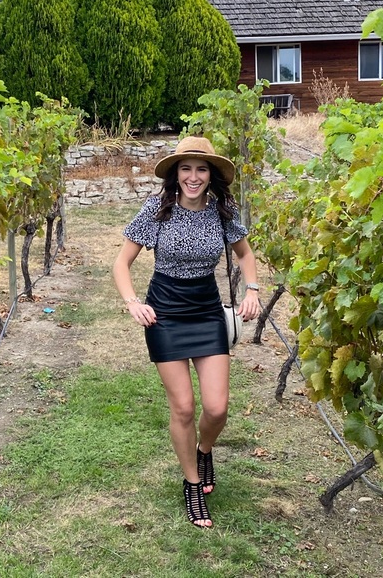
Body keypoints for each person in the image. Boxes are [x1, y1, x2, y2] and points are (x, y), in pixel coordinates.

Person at [112, 135, 260, 528]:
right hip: (165, 315)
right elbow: (121, 264)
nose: (193, 177)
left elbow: (245, 254)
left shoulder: (223, 210)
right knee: (183, 407)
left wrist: (253, 289)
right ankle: (192, 483)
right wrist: (132, 302)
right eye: (186, 169)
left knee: (217, 408)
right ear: (175, 174)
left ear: (211, 175)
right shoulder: (157, 208)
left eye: (201, 169)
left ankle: (204, 449)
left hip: (206, 311)